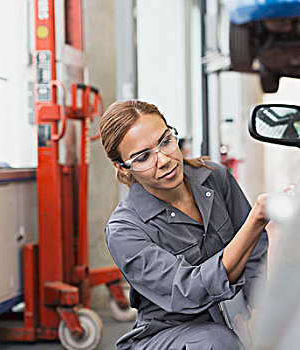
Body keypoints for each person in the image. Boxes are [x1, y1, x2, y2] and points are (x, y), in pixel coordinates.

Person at [99, 100, 269, 350]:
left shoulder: (214, 177)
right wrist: (256, 220)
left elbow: (254, 250)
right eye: (144, 157)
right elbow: (188, 290)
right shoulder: (124, 230)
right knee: (215, 342)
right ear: (123, 167)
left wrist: (256, 308)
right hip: (169, 333)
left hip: (231, 315)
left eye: (165, 141)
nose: (164, 160)